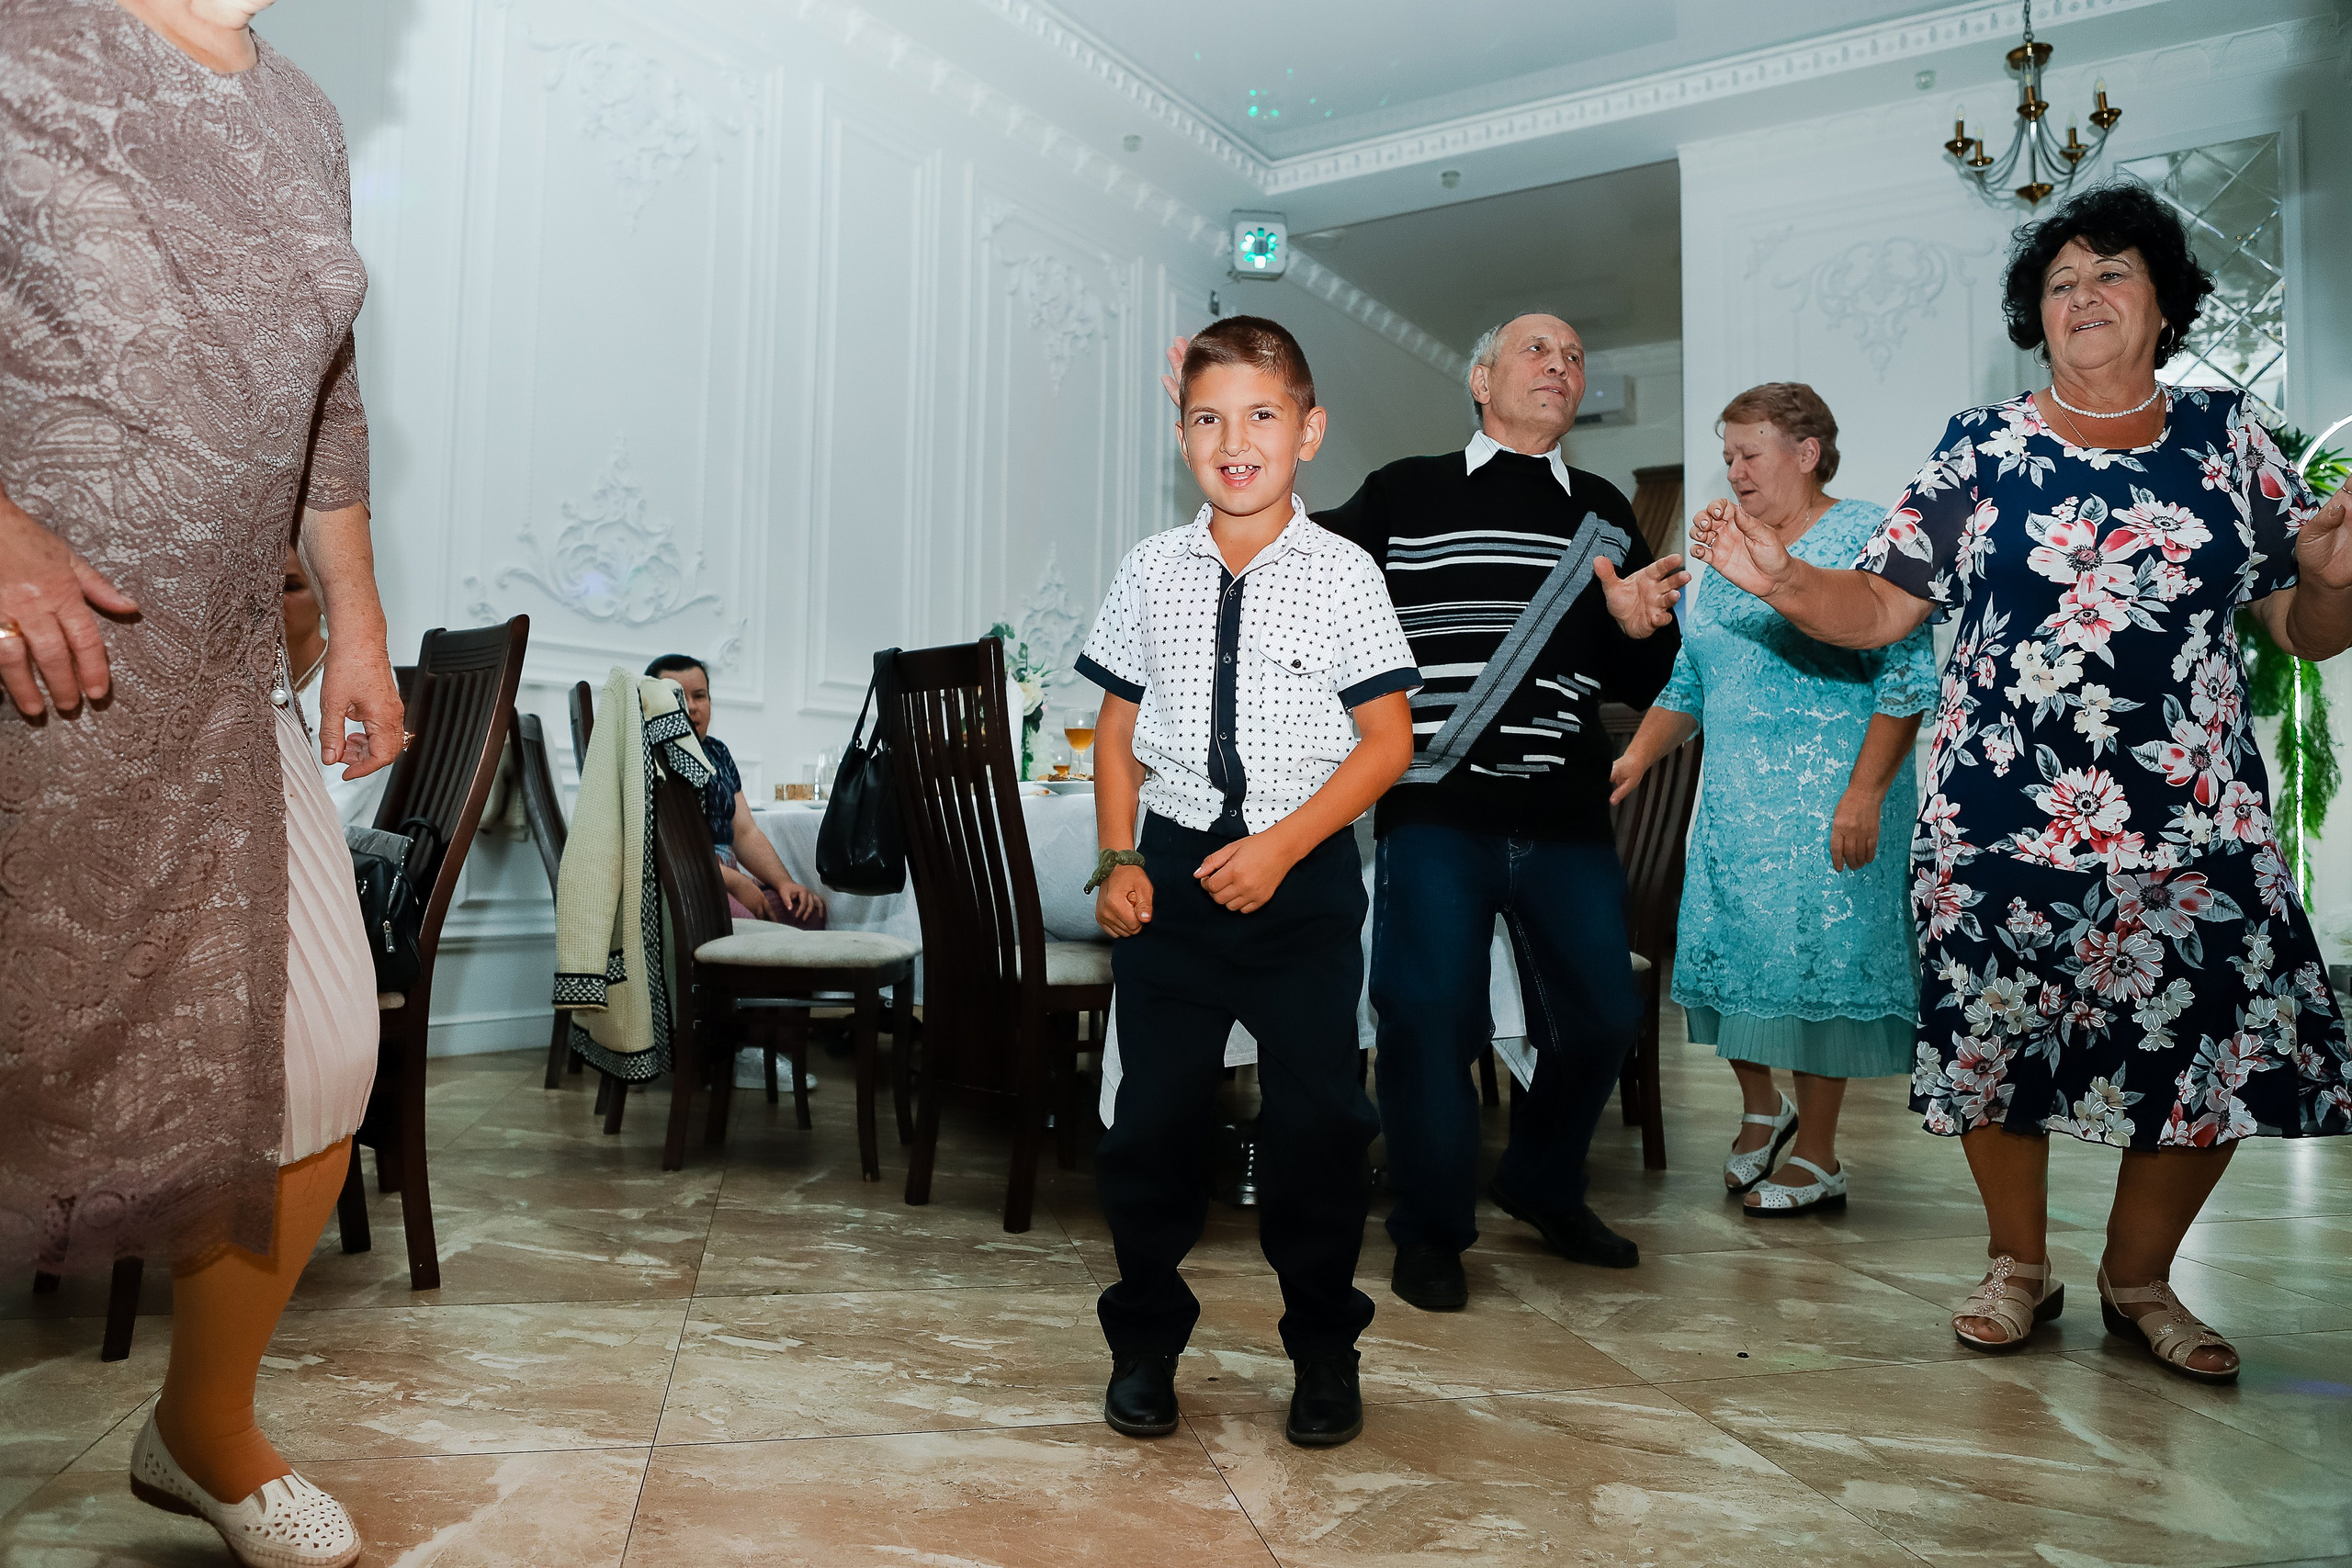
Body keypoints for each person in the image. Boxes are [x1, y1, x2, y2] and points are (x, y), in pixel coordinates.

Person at [1690, 182, 2352, 1383]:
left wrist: (2333, 578)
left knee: (2218, 1048)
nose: (2083, 295)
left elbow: (2304, 630)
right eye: (2059, 281)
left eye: (2110, 272)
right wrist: (1782, 576)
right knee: (2000, 1046)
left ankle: (2139, 1275)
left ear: (2164, 303)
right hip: (2001, 801)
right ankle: (2016, 1261)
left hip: (2193, 810)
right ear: (2034, 317)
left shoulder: (2229, 437)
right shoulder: (1978, 447)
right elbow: (1878, 604)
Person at [1, 1, 405, 1562]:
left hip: (229, 669)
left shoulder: (302, 110)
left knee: (317, 1049)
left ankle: (203, 1425)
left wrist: (356, 618)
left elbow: (328, 396)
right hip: (40, 670)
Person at [1078, 315, 1419, 1450]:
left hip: (1304, 881)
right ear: (1182, 438)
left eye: (1262, 415)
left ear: (1308, 432)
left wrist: (1279, 847)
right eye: (1209, 417)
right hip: (1170, 879)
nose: (1237, 439)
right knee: (1152, 1124)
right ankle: (1143, 1341)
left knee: (1319, 1123)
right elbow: (1116, 729)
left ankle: (1324, 1349)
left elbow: (1385, 744)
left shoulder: (1344, 573)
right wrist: (1121, 858)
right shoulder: (1149, 569)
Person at [1307, 312, 1688, 1312]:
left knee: (1603, 1016)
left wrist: (1641, 632)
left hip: (1563, 806)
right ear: (1481, 379)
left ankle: (1540, 1180)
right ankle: (1430, 1229)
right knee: (1428, 1019)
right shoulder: (1402, 490)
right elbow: (1308, 579)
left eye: (1574, 355)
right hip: (1432, 804)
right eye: (1536, 350)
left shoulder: (1604, 509)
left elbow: (1641, 667)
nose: (1560, 366)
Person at [1612, 384, 1934, 1215]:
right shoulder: (1727, 547)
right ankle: (1763, 1106)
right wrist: (1639, 756)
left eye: (1749, 452)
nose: (1734, 469)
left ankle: (1821, 1155)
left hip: (1836, 795)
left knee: (1818, 971)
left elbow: (1906, 674)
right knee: (1730, 956)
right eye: (1727, 455)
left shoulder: (1867, 532)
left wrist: (1866, 793)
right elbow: (1693, 673)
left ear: (1807, 452)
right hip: (1735, 803)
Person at [644, 653, 826, 930]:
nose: (692, 707)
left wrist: (784, 882)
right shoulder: (649, 759)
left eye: (700, 696)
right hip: (686, 882)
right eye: (678, 698)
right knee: (748, 926)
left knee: (807, 914)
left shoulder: (717, 752)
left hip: (729, 875)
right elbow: (660, 849)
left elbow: (744, 833)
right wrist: (733, 880)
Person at [284, 546, 390, 829]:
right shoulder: (250, 677)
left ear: (323, 597)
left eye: (290, 587)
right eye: (263, 587)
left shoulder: (355, 676)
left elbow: (338, 807)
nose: (273, 601)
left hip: (332, 852)